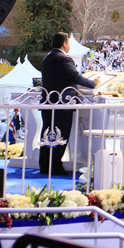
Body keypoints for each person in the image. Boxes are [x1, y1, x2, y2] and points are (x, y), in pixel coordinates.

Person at [40, 32, 99, 175]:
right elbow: (75, 77)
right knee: (61, 135)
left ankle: (45, 165)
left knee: (47, 134)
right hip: (63, 103)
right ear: (64, 44)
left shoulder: (46, 59)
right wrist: (93, 84)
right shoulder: (64, 59)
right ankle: (55, 167)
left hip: (48, 102)